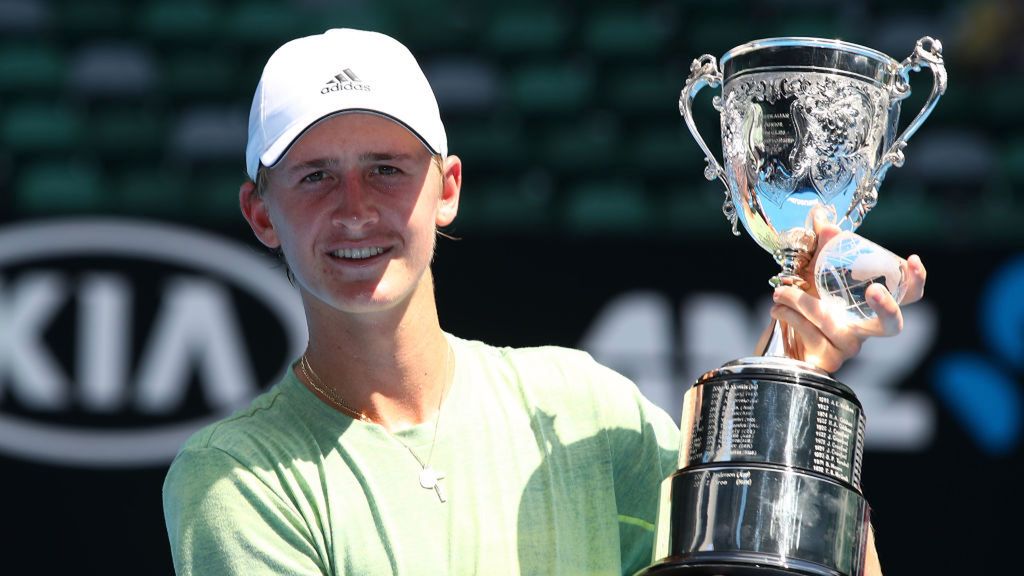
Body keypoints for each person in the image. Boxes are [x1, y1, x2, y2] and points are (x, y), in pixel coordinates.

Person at [162, 28, 926, 575]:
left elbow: (768, 560)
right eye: (315, 176)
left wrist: (796, 390)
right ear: (261, 214)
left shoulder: (583, 406)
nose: (356, 207)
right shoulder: (233, 478)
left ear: (447, 189)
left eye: (387, 169)